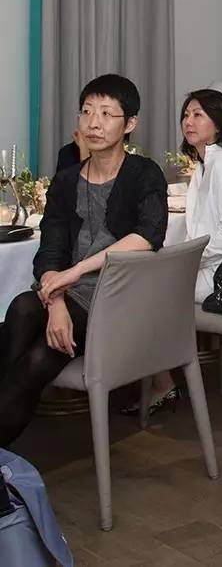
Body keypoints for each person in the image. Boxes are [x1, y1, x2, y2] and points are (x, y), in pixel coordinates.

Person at [0, 74, 167, 445]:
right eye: (87, 111)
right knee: (22, 309)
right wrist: (57, 300)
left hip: (118, 298)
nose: (94, 122)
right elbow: (50, 250)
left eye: (107, 113)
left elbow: (148, 236)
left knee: (40, 357)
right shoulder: (66, 181)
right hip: (69, 292)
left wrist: (73, 273)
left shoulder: (144, 174)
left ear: (130, 123)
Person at [125, 89, 222, 416]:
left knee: (144, 290)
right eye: (186, 114)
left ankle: (160, 382)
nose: (188, 121)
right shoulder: (209, 164)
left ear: (218, 124)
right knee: (149, 279)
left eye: (198, 115)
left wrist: (186, 261)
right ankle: (154, 373)